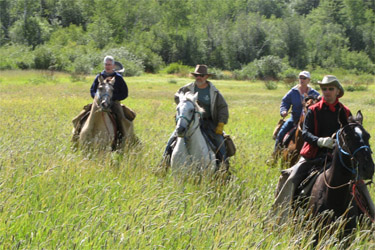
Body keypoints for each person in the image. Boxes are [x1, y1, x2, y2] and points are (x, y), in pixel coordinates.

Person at [274, 75, 375, 215]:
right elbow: (306, 133)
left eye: (330, 89)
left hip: (338, 157)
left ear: (337, 91)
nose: (327, 92)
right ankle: (279, 216)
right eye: (324, 89)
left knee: (360, 185)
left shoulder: (345, 111)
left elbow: (351, 135)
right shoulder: (313, 110)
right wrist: (320, 141)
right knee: (290, 178)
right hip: (313, 155)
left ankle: (370, 220)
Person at [163, 64, 229, 168]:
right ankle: (163, 164)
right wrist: (185, 102)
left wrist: (221, 123)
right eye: (197, 75)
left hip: (209, 122)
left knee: (220, 141)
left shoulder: (214, 92)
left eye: (202, 75)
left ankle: (224, 167)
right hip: (190, 121)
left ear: (206, 77)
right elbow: (177, 97)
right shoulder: (187, 88)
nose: (199, 77)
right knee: (172, 139)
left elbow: (223, 107)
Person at [72, 56, 134, 142]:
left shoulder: (118, 78)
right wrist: (97, 97)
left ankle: (124, 139)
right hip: (98, 102)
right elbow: (92, 90)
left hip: (114, 103)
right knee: (80, 117)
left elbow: (124, 93)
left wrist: (113, 98)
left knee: (122, 119)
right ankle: (75, 137)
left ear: (113, 66)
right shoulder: (99, 76)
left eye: (109, 64)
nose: (107, 66)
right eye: (106, 64)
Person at [273, 71, 320, 155]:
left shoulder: (314, 93)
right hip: (294, 119)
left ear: (308, 80)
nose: (302, 80)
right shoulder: (293, 91)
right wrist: (283, 111)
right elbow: (285, 102)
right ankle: (275, 155)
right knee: (281, 133)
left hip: (310, 121)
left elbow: (320, 104)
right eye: (300, 78)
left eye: (304, 78)